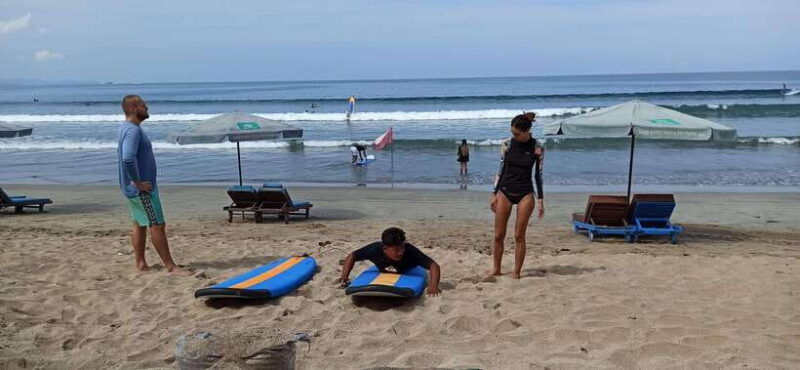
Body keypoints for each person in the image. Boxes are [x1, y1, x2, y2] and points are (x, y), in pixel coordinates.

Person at [118, 95, 189, 275]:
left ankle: (141, 263)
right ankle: (171, 266)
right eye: (143, 105)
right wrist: (138, 182)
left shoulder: (127, 128)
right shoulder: (132, 131)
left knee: (139, 224)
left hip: (135, 189)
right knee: (157, 224)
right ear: (134, 108)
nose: (147, 107)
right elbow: (127, 158)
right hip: (143, 191)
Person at [489, 112, 545, 279]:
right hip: (505, 191)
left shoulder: (538, 147)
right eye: (512, 132)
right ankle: (496, 269)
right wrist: (494, 193)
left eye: (517, 134)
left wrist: (540, 200)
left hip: (525, 193)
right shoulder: (506, 144)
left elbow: (538, 175)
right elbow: (501, 170)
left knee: (519, 235)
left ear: (527, 131)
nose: (514, 136)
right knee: (498, 235)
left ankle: (516, 272)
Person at [339, 227, 441, 296]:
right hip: (384, 270)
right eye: (396, 250)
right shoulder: (374, 250)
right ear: (385, 248)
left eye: (402, 247)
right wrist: (344, 276)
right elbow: (352, 256)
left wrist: (433, 285)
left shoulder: (410, 251)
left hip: (408, 270)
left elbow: (433, 265)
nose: (401, 252)